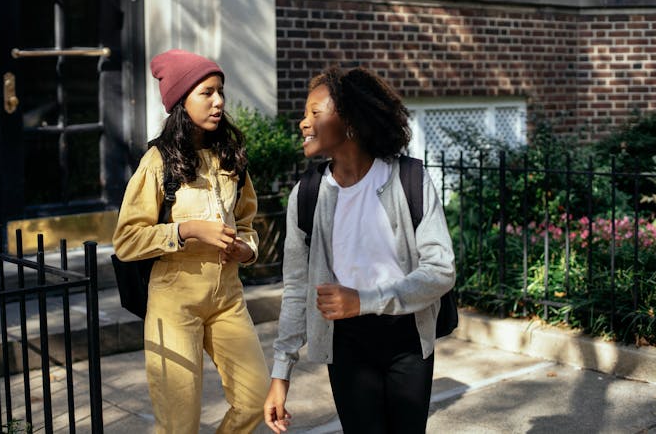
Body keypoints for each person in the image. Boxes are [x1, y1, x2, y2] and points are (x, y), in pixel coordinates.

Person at [263, 66, 456, 434]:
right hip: (346, 344)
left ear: (349, 121)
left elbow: (441, 270)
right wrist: (280, 373)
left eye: (315, 113)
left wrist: (363, 300)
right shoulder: (306, 195)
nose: (303, 123)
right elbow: (296, 291)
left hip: (408, 340)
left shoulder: (409, 179)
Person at [113, 49, 270, 433]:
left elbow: (248, 221)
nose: (218, 102)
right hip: (173, 301)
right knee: (179, 422)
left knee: (256, 399)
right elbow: (127, 240)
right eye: (207, 92)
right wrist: (187, 230)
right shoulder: (158, 161)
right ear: (182, 101)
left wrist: (245, 249)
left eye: (221, 92)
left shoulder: (231, 156)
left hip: (227, 297)